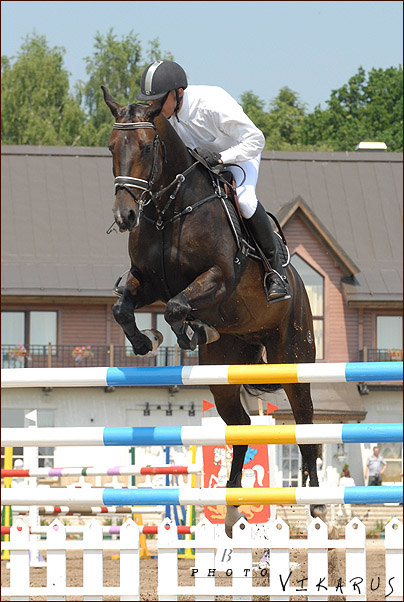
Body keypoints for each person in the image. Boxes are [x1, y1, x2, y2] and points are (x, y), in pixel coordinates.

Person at [135, 60, 290, 302]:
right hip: (203, 164)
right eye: (149, 100)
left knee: (246, 201)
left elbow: (255, 140)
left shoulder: (212, 103)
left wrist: (221, 158)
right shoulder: (167, 115)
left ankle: (275, 271)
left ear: (178, 93)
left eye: (156, 100)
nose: (151, 106)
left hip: (239, 156)